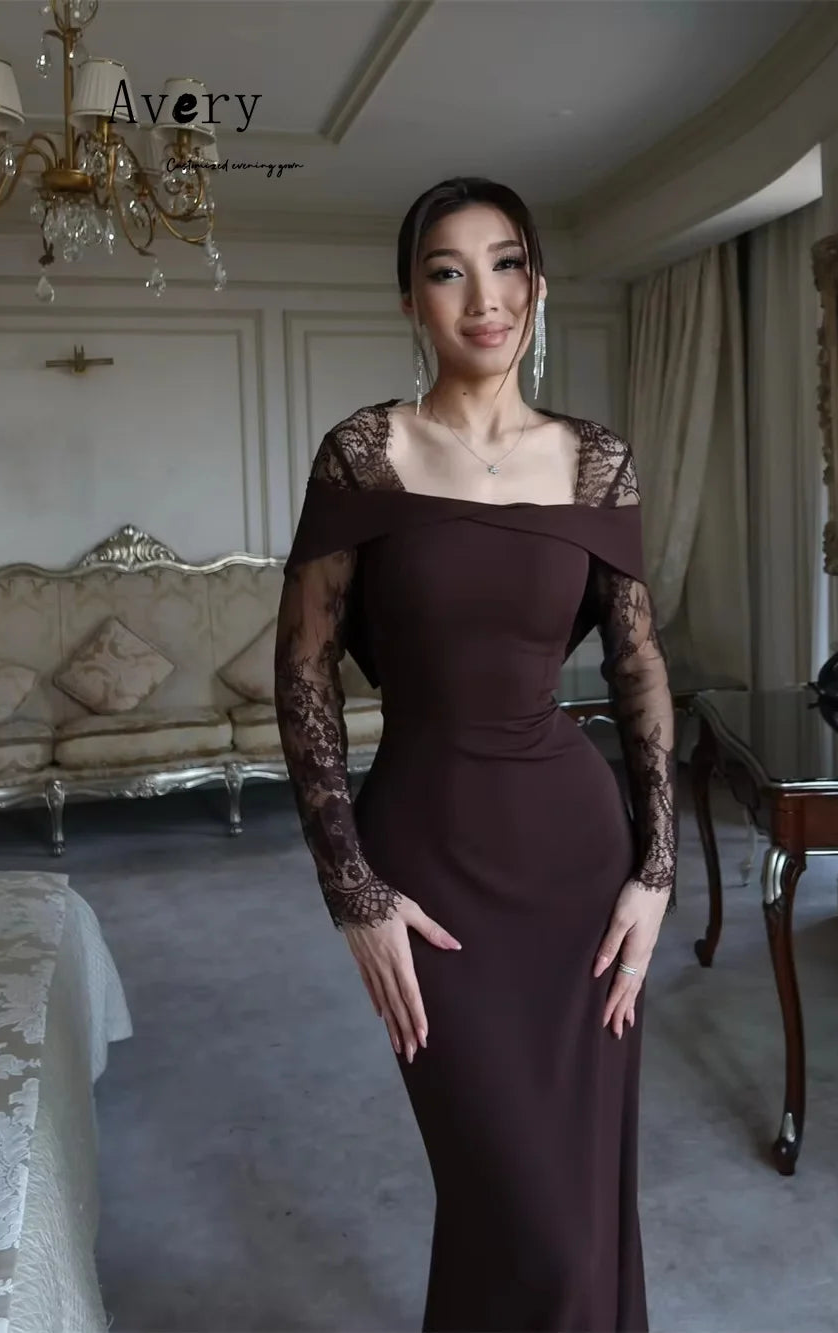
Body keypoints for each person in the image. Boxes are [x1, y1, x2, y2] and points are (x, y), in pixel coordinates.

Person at [274, 176, 677, 1333]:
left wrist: (655, 872)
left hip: (577, 867)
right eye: (447, 271)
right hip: (431, 869)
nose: (482, 297)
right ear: (413, 300)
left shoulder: (595, 461)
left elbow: (639, 666)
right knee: (517, 1205)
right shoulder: (365, 453)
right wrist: (351, 887)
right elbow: (301, 672)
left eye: (505, 266)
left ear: (536, 288)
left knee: (568, 1212)